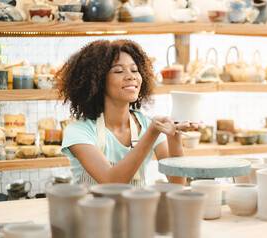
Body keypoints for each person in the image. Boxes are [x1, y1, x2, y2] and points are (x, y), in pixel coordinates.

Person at [57, 39, 201, 189]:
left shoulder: (146, 124)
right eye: (119, 71)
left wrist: (175, 132)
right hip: (93, 211)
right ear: (98, 81)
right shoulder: (78, 132)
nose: (130, 76)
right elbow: (111, 181)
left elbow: (177, 182)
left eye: (134, 70)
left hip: (136, 211)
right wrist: (152, 132)